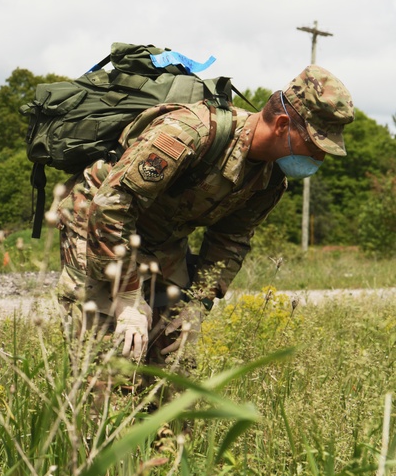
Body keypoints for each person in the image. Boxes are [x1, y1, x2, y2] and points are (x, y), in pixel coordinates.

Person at [57, 64, 354, 364]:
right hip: (97, 222)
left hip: (161, 239)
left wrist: (197, 304)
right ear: (280, 125)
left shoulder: (270, 181)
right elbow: (112, 204)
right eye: (316, 144)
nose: (320, 157)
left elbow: (231, 240)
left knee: (174, 361)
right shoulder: (191, 132)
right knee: (109, 357)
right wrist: (128, 296)